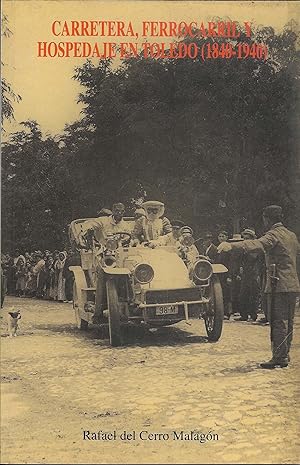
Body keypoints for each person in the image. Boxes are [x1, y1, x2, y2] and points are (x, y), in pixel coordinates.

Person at [218, 205, 300, 368]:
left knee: (278, 321)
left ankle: (279, 357)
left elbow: (257, 244)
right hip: (292, 283)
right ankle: (285, 353)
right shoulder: (291, 235)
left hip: (278, 284)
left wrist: (231, 245)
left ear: (267, 219)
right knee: (288, 321)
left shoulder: (273, 234)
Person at [239, 228, 264, 322]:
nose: (246, 240)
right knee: (243, 294)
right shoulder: (243, 249)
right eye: (244, 238)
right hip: (245, 274)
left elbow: (258, 261)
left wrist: (258, 274)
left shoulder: (257, 249)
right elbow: (240, 261)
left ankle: (253, 314)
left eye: (248, 238)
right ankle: (244, 315)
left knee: (254, 294)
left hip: (254, 273)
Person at [217, 230, 231, 319]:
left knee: (226, 292)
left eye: (223, 236)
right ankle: (223, 312)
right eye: (220, 236)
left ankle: (227, 312)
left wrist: (229, 275)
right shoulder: (219, 247)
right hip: (220, 273)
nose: (221, 238)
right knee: (222, 291)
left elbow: (229, 262)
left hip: (225, 272)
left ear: (226, 237)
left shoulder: (226, 247)